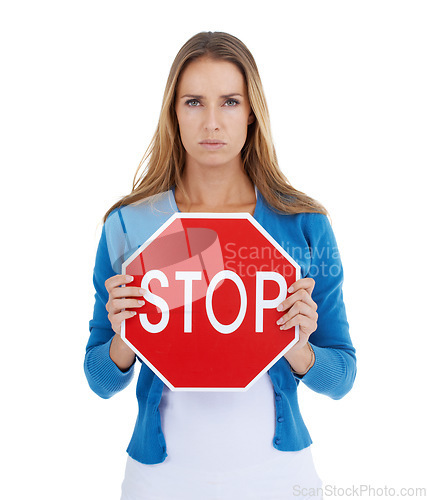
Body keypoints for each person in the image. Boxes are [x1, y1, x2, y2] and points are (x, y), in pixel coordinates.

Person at [84, 31, 357, 500]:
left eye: (230, 102)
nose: (212, 122)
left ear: (252, 112)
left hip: (279, 477)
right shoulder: (129, 225)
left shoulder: (305, 224)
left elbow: (342, 376)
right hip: (158, 481)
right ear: (174, 111)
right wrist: (125, 341)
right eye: (194, 102)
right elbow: (99, 377)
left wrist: (297, 347)